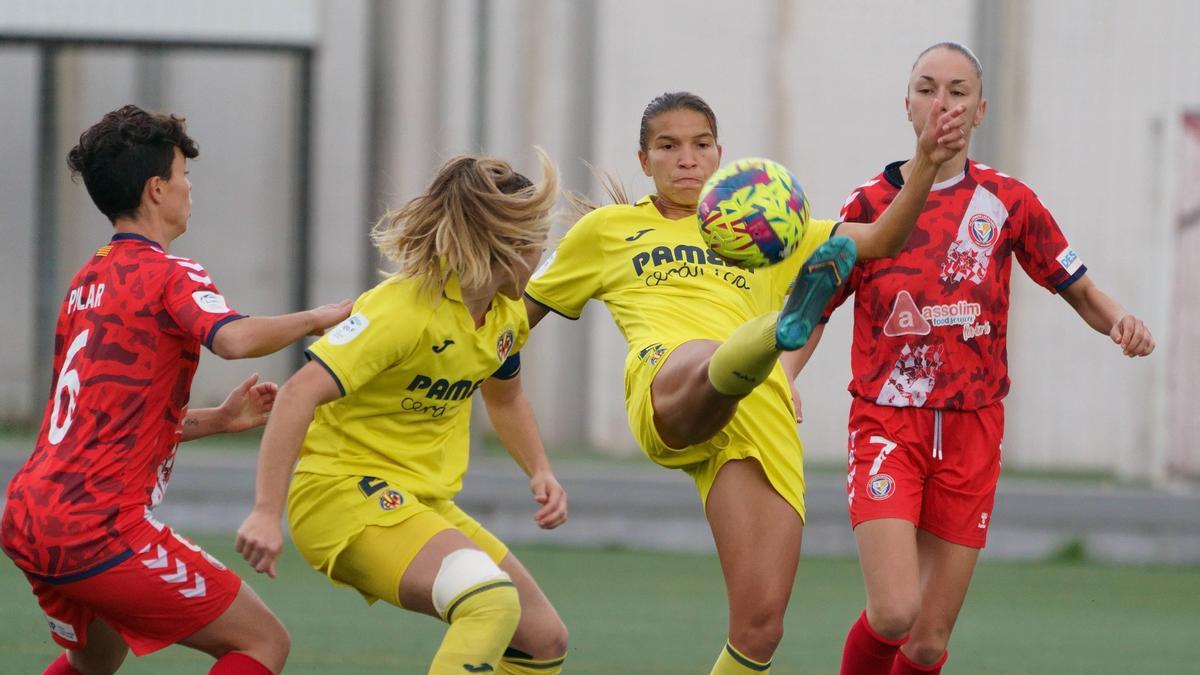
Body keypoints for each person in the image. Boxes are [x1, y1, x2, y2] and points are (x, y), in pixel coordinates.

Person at [522, 91, 966, 674]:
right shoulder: (609, 230)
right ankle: (777, 331)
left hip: (760, 411)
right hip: (667, 378)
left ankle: (770, 336)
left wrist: (927, 163)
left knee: (760, 629)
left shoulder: (770, 227)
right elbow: (512, 317)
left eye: (700, 145)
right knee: (707, 354)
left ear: (720, 155)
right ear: (643, 160)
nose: (686, 159)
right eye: (668, 146)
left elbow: (882, 240)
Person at [796, 43, 1157, 675]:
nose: (943, 103)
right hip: (888, 425)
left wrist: (1118, 321)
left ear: (980, 109)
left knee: (928, 642)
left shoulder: (1009, 201)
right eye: (928, 88)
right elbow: (814, 309)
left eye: (958, 91)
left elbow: (1078, 285)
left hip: (972, 430)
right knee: (893, 613)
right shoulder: (864, 207)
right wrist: (782, 377)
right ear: (906, 103)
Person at [1, 104, 353, 675]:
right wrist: (318, 316)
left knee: (96, 658)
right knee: (263, 644)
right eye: (184, 177)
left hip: (28, 514)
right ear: (157, 189)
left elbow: (94, 420)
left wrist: (218, 420)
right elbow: (233, 340)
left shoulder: (85, 282)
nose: (191, 189)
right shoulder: (171, 273)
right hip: (97, 527)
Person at [234, 151, 570, 675]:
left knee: (542, 638)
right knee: (490, 601)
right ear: (506, 243)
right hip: (341, 497)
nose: (542, 250)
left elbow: (504, 396)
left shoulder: (504, 316)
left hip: (421, 500)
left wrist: (541, 470)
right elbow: (299, 394)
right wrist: (263, 510)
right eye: (536, 236)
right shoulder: (401, 309)